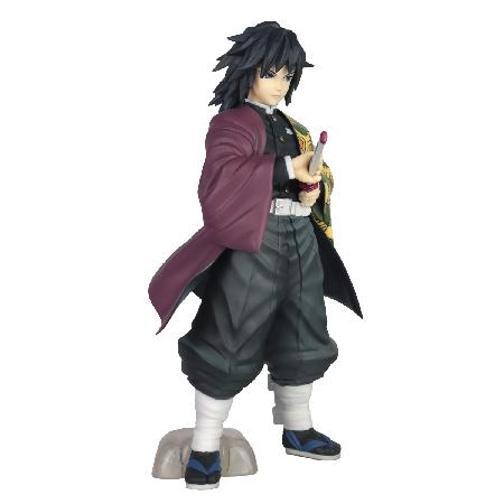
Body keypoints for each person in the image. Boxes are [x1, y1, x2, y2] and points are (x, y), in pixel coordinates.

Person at [148, 21, 362, 490]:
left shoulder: (292, 127)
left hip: (300, 236)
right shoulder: (231, 124)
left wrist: (312, 189)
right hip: (254, 241)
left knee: (304, 327)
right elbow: (222, 179)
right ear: (248, 71)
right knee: (231, 331)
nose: (280, 84)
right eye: (271, 73)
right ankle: (206, 444)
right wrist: (286, 168)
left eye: (287, 75)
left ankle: (298, 427)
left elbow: (314, 177)